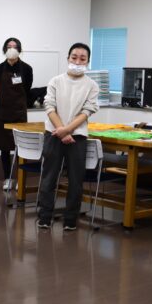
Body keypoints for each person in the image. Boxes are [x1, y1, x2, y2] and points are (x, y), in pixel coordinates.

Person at [37, 43, 100, 231]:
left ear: (88, 61)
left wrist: (67, 130)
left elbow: (87, 111)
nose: (77, 61)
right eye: (74, 57)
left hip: (77, 137)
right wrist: (61, 130)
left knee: (76, 180)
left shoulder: (92, 85)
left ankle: (71, 220)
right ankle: (45, 217)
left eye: (82, 58)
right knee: (49, 178)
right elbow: (49, 107)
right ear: (68, 58)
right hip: (53, 134)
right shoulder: (55, 81)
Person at [0, 37, 34, 190]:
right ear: (4, 49)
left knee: (21, 147)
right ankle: (7, 178)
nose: (11, 49)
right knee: (4, 147)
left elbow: (27, 89)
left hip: (19, 113)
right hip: (3, 113)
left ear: (19, 50)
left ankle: (20, 179)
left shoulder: (27, 69)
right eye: (9, 46)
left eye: (15, 46)